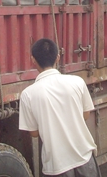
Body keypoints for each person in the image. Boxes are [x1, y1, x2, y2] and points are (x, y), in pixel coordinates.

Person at [19, 38, 101, 177]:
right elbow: (85, 115)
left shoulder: (28, 94)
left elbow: (34, 133)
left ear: (33, 59)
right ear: (57, 57)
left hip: (56, 167)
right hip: (85, 159)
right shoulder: (77, 82)